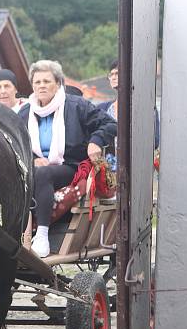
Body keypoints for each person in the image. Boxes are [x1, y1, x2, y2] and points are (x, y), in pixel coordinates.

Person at [18, 60, 117, 257]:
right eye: (37, 82)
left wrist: (95, 141)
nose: (42, 86)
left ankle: (42, 235)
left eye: (47, 81)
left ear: (58, 84)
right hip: (33, 168)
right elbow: (15, 144)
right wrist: (31, 160)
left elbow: (109, 124)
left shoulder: (76, 106)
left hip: (70, 166)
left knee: (43, 173)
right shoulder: (24, 113)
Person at [97, 60, 160, 149]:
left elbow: (155, 141)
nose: (113, 78)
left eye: (117, 74)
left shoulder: (145, 108)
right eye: (111, 74)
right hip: (106, 161)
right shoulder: (102, 108)